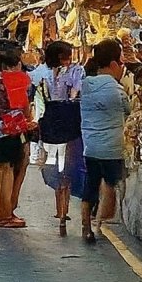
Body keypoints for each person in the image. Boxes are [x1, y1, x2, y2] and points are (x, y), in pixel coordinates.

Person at [0, 43, 35, 229]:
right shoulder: (15, 79)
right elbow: (21, 106)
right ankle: (4, 213)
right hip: (10, 129)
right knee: (7, 169)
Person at [81, 39, 131, 244]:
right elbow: (128, 111)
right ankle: (100, 224)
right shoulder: (117, 91)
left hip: (90, 146)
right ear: (113, 65)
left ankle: (85, 226)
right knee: (110, 183)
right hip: (112, 148)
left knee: (90, 186)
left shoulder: (85, 85)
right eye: (121, 62)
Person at [36, 40, 85, 229]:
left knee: (53, 162)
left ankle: (61, 209)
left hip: (49, 120)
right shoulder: (75, 71)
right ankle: (63, 209)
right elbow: (74, 93)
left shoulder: (40, 73)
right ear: (60, 57)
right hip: (69, 118)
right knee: (68, 163)